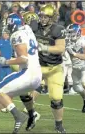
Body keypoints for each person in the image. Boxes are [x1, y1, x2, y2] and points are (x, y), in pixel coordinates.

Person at [28, 4, 66, 133]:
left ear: (52, 17)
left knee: (56, 99)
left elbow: (61, 48)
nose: (43, 19)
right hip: (37, 67)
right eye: (42, 16)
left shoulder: (58, 29)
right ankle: (31, 117)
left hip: (53, 68)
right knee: (27, 95)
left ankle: (59, 124)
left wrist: (44, 48)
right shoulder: (34, 26)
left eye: (46, 17)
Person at [65, 23, 85, 112]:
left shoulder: (84, 41)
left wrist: (74, 54)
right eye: (69, 32)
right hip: (75, 67)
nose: (70, 35)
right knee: (77, 88)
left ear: (78, 32)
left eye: (72, 32)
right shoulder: (68, 41)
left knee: (84, 83)